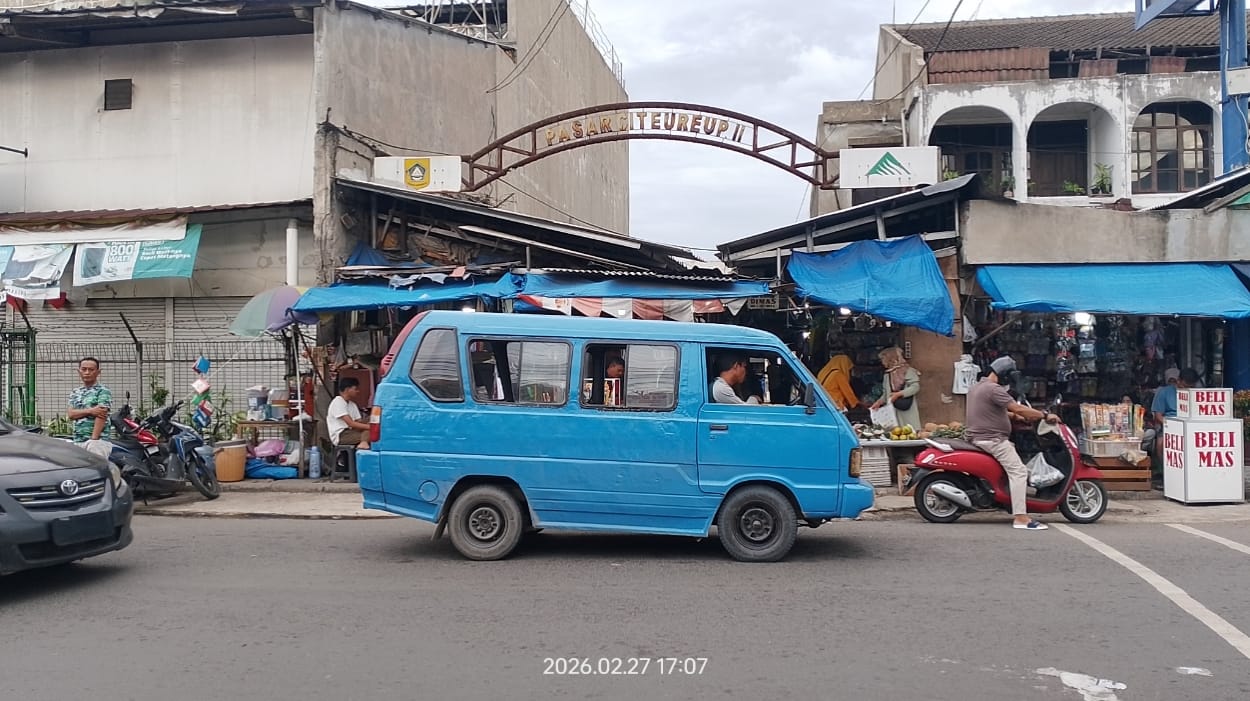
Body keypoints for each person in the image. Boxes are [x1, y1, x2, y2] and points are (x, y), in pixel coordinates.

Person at [965, 356, 1059, 531]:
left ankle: (1009, 501)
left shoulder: (977, 387)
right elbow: (1017, 407)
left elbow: (993, 410)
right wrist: (1045, 415)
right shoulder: (994, 389)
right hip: (993, 440)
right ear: (1006, 375)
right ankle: (1021, 518)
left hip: (980, 437)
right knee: (1019, 471)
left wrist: (1017, 417)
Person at [1149, 368, 1198, 488]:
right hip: (1169, 425)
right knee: (1161, 444)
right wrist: (1170, 425)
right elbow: (1158, 416)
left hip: (1192, 426)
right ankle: (1168, 475)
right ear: (1178, 381)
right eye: (1185, 386)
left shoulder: (1196, 394)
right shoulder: (1164, 392)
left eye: (1191, 387)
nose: (1187, 390)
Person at [871, 346, 921, 428]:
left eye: (883, 359)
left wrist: (899, 394)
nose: (882, 362)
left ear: (891, 359)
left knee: (908, 432)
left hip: (905, 410)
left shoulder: (908, 371)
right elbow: (886, 393)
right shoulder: (887, 375)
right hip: (892, 411)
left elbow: (915, 387)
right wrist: (879, 402)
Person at [67, 356, 111, 446]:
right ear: (79, 371)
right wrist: (91, 411)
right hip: (78, 441)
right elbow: (71, 414)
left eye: (91, 370)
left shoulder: (103, 391)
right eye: (84, 369)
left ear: (98, 372)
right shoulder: (75, 392)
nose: (87, 373)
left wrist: (93, 440)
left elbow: (101, 415)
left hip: (97, 442)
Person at [328, 377, 371, 449]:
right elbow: (351, 423)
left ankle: (364, 441)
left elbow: (359, 422)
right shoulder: (338, 401)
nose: (358, 391)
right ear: (347, 390)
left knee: (372, 418)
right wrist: (370, 427)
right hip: (342, 435)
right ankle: (364, 442)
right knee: (373, 433)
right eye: (355, 389)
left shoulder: (352, 404)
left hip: (353, 431)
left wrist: (370, 423)